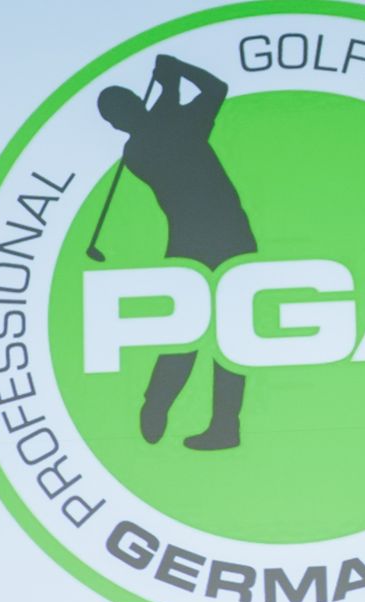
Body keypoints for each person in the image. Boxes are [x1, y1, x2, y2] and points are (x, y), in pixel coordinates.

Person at [97, 53, 257, 449]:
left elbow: (203, 95)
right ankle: (163, 404)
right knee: (198, 334)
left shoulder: (146, 142)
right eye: (120, 114)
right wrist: (174, 75)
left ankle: (220, 425)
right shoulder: (147, 146)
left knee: (224, 338)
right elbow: (205, 95)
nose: (126, 117)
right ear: (118, 123)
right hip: (210, 239)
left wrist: (172, 80)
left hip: (209, 239)